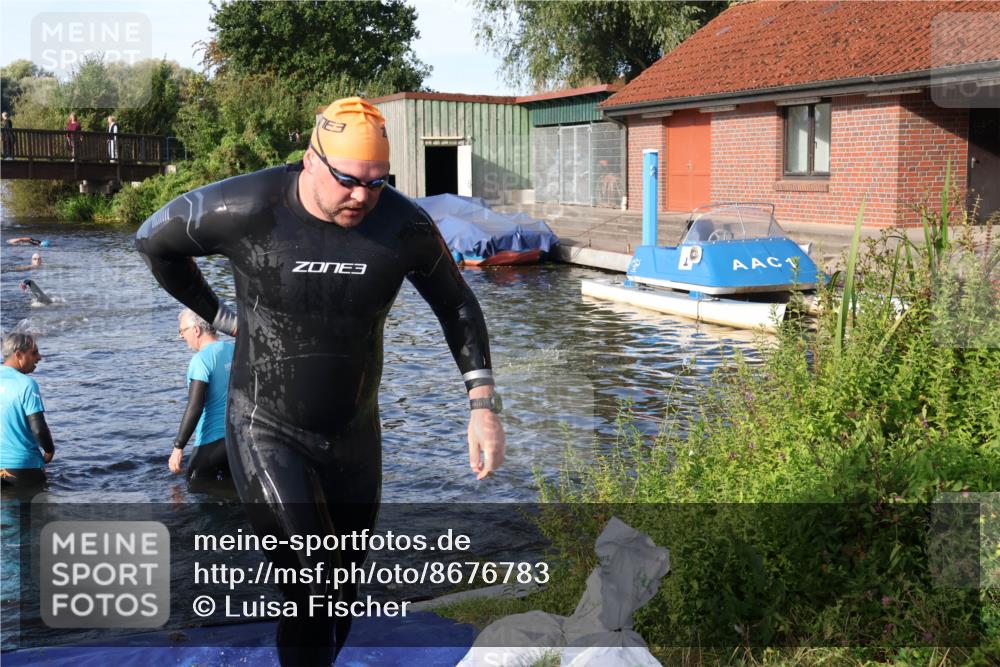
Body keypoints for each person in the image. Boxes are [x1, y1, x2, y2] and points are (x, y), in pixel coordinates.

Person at [136, 96, 505, 665]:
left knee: (341, 590)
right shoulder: (247, 206)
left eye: (378, 182)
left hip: (355, 436)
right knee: (310, 583)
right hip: (266, 427)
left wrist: (482, 405)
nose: (363, 196)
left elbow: (456, 304)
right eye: (349, 180)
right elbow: (154, 241)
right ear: (311, 160)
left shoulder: (401, 225)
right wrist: (217, 313)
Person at [168, 308, 235, 487]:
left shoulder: (201, 361)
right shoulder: (234, 349)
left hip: (210, 443)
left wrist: (178, 447)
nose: (182, 336)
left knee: (194, 486)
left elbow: (195, 406)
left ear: (196, 330)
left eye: (182, 331)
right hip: (236, 440)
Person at [0, 333, 55, 489]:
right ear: (19, 355)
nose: (39, 357)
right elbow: (38, 429)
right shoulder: (26, 384)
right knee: (30, 512)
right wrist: (49, 450)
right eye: (34, 353)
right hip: (22, 468)